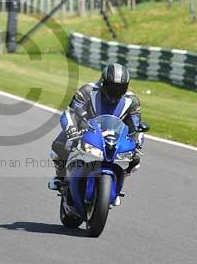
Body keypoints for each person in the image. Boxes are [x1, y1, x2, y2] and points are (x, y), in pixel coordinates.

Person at [48, 63, 149, 193]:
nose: (116, 92)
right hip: (85, 130)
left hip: (114, 137)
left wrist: (137, 142)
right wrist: (71, 129)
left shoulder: (132, 101)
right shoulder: (87, 91)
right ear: (102, 82)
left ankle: (116, 184)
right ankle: (60, 177)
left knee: (135, 160)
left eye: (120, 88)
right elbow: (70, 113)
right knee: (60, 144)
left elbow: (135, 127)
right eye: (112, 87)